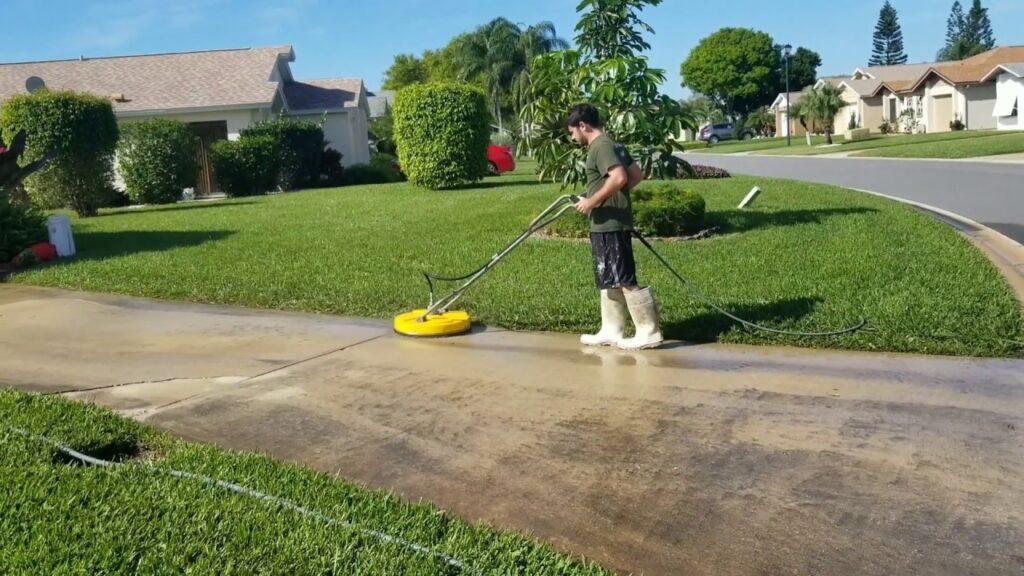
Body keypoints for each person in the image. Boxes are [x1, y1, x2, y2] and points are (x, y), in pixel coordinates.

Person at [567, 103, 663, 350]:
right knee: (608, 276)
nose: (572, 137)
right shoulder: (615, 145)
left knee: (624, 276)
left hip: (610, 223)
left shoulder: (600, 147)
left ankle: (649, 331)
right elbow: (636, 176)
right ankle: (611, 329)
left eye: (572, 132)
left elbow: (619, 177)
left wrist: (593, 201)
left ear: (582, 125)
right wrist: (604, 197)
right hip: (607, 221)